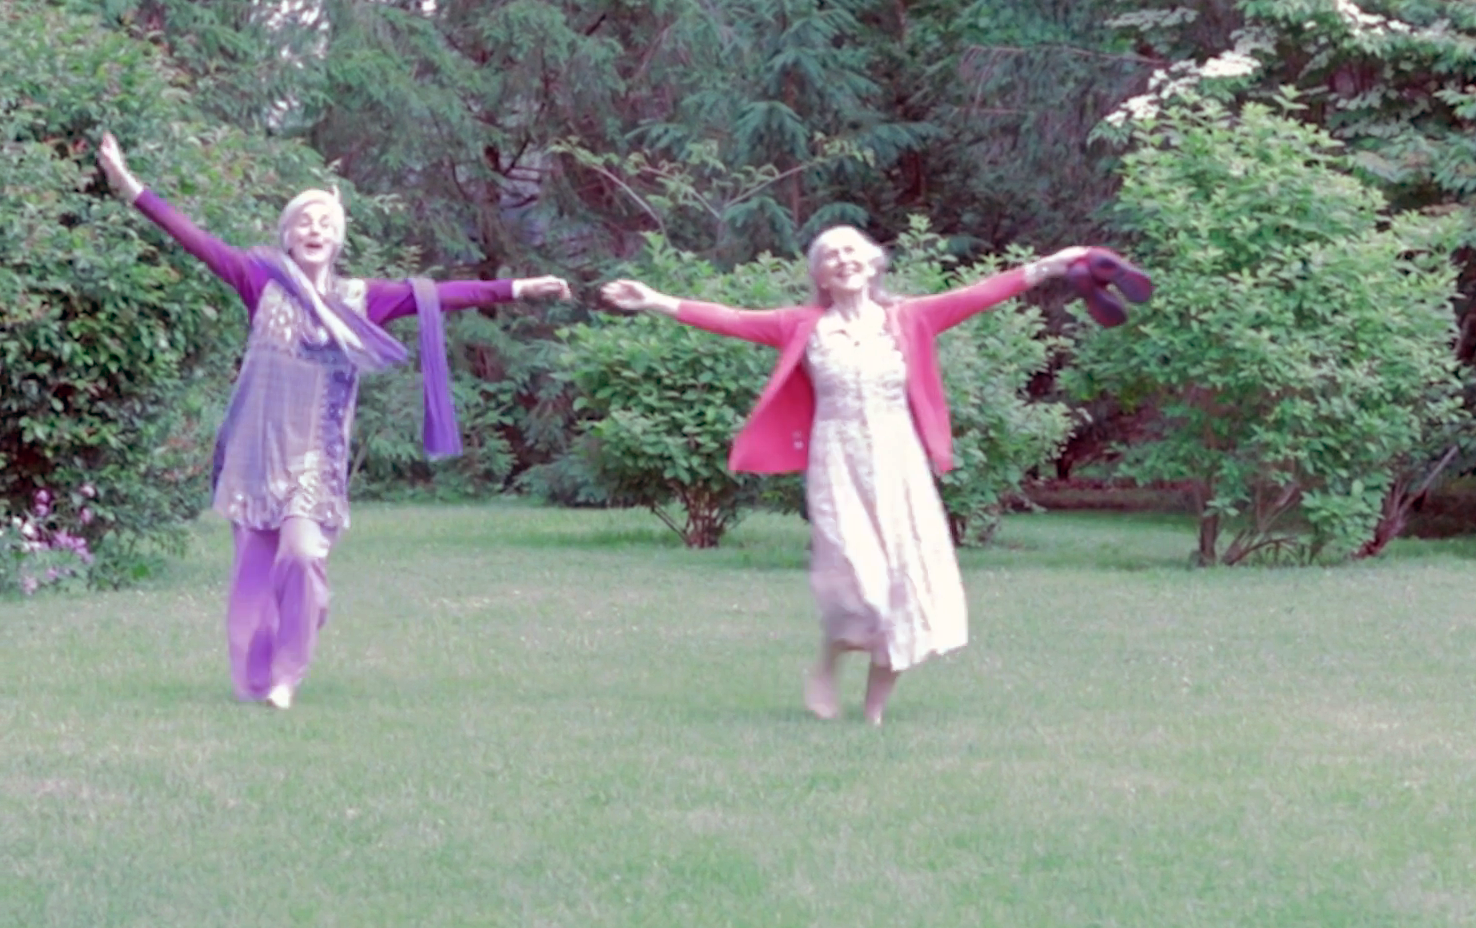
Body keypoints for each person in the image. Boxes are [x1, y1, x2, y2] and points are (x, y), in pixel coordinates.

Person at [97, 133, 570, 710]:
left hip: (314, 458)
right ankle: (255, 679)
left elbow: (440, 294)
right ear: (288, 236)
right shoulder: (259, 280)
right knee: (252, 580)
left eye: (324, 222)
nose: (314, 229)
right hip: (257, 452)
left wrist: (519, 288)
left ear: (337, 238)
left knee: (301, 557)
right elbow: (196, 240)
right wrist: (131, 189)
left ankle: (288, 675)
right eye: (303, 222)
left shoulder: (361, 297)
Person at [601, 227, 1085, 725]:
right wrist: (655, 300)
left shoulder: (909, 317)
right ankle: (828, 663)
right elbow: (733, 319)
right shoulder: (803, 326)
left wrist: (1047, 266)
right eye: (830, 255)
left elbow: (977, 294)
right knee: (861, 586)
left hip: (900, 465)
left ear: (874, 264)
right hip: (836, 462)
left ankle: (874, 712)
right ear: (819, 276)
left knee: (902, 588)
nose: (842, 259)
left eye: (852, 250)